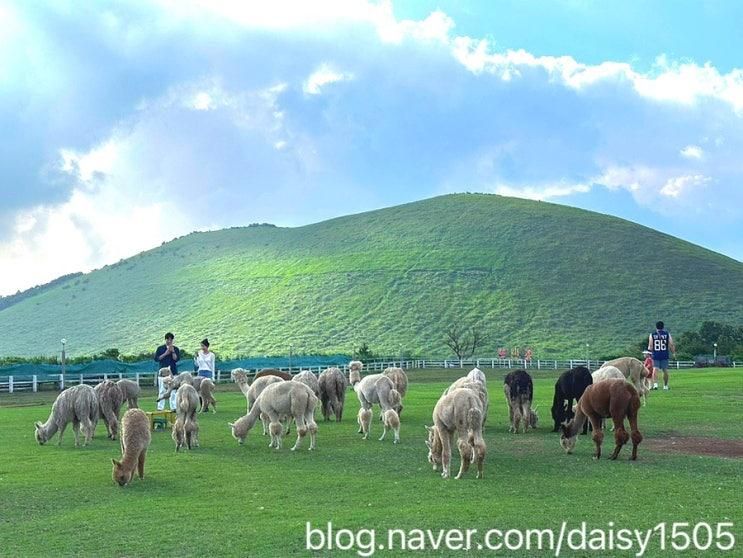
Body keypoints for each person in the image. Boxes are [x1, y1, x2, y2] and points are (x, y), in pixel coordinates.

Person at [154, 332, 180, 410]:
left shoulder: (176, 349)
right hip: (163, 373)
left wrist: (172, 351)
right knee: (162, 390)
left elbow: (176, 359)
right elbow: (157, 359)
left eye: (170, 339)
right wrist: (166, 353)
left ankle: (174, 407)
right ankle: (160, 407)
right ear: (165, 340)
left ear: (172, 340)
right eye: (167, 339)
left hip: (173, 372)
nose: (169, 341)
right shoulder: (160, 348)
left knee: (173, 391)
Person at [648, 321, 676, 391]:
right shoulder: (667, 334)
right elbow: (671, 344)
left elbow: (650, 346)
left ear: (656, 327)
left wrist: (650, 351)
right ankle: (665, 386)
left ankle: (655, 385)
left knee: (655, 369)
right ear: (663, 327)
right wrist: (673, 353)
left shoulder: (652, 334)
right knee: (665, 370)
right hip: (664, 354)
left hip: (656, 354)